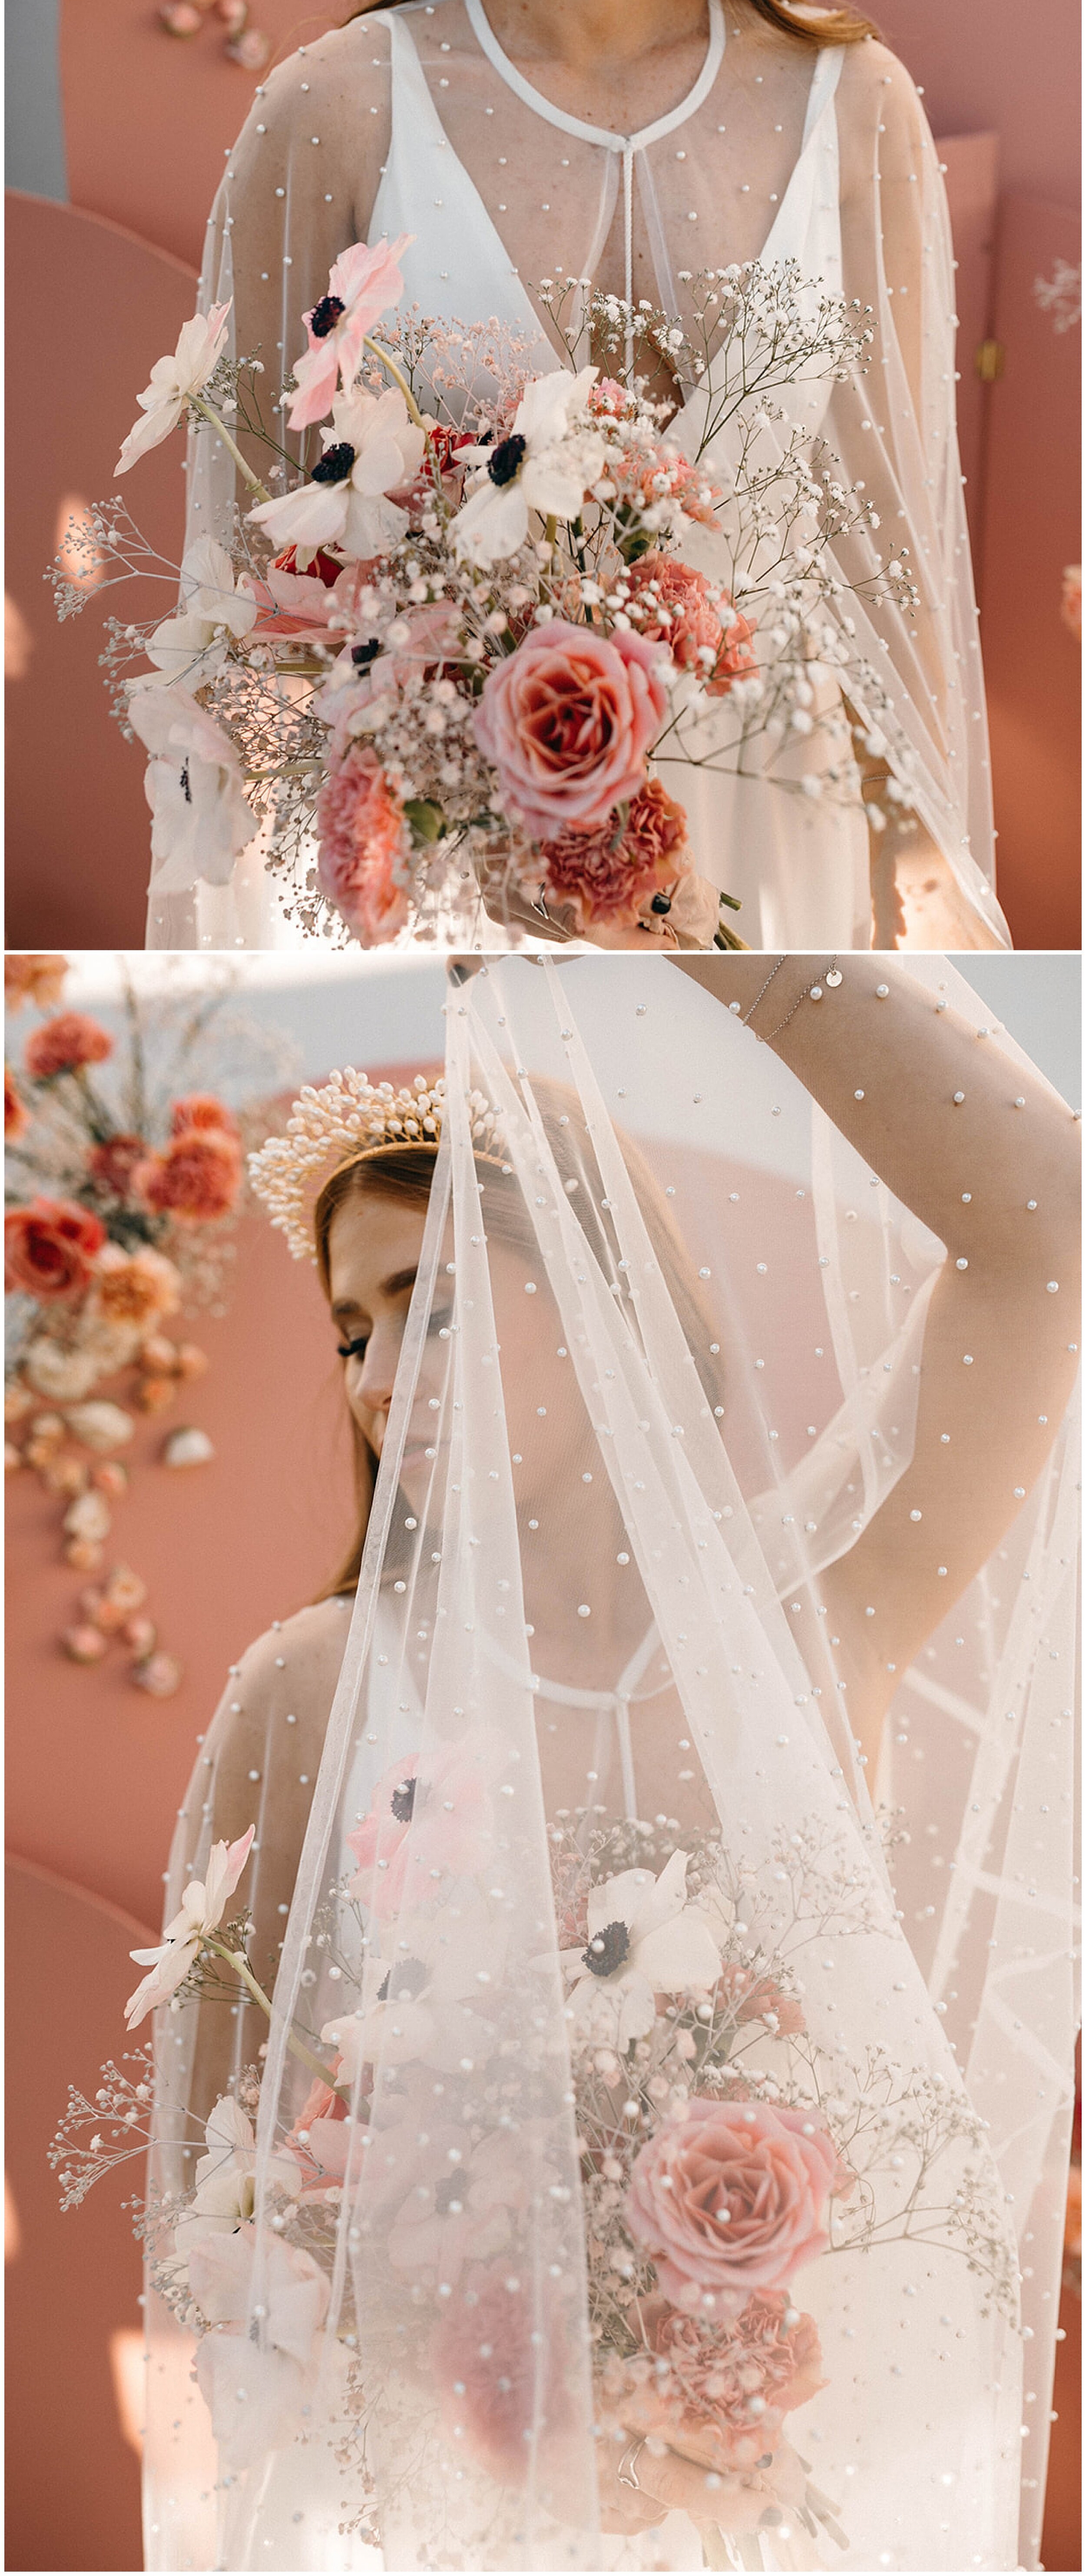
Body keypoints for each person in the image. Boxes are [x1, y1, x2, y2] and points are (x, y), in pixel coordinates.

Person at [139, 954, 1077, 2572]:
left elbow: (1049, 1225)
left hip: (785, 2496)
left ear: (591, 1283)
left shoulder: (810, 1635)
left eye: (424, 1303)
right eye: (350, 1332)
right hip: (424, 2502)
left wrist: (684, 933)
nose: (372, 1384)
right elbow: (226, 2203)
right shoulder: (314, 1693)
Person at [152, 0, 1009, 957]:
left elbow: (896, 597)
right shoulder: (340, 106)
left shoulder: (848, 105)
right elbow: (253, 600)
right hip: (455, 890)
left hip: (783, 859)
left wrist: (924, 947)